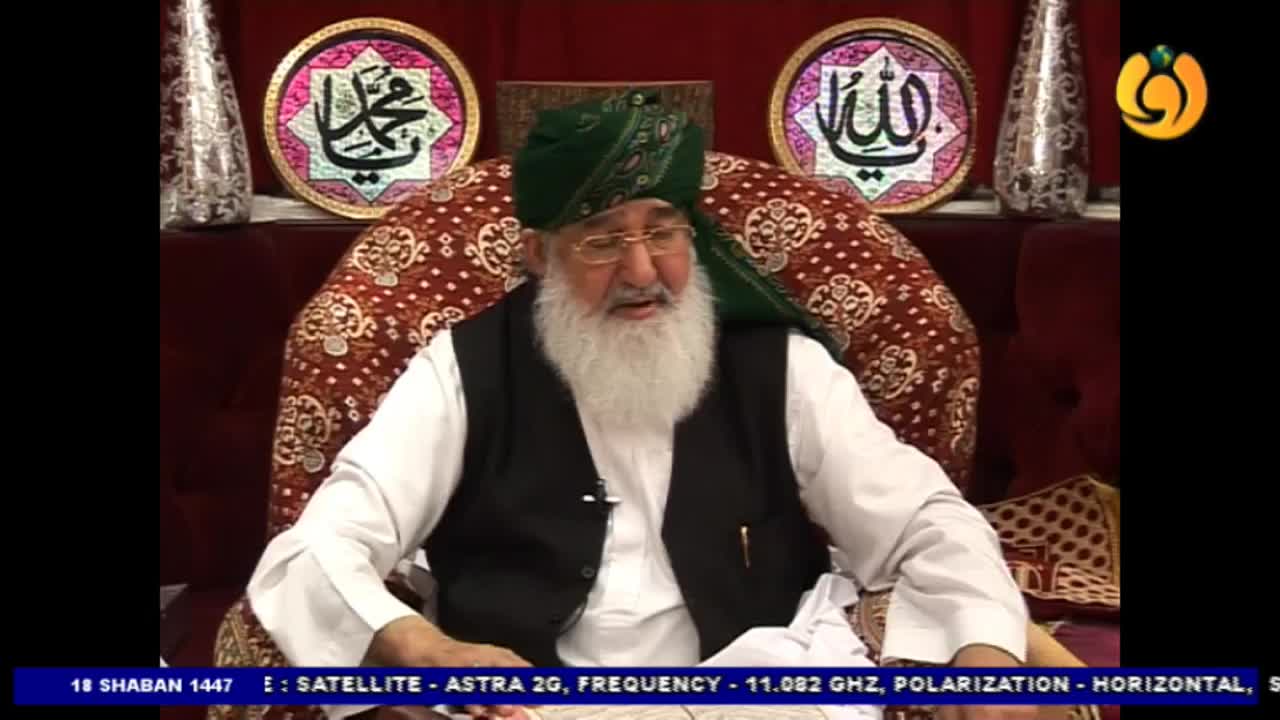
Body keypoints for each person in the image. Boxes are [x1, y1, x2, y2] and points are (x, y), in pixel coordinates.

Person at [246, 91, 1035, 720]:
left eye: (663, 232)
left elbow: (926, 522)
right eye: (600, 240)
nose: (642, 271)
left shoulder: (776, 366)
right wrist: (427, 651)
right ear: (538, 253)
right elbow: (316, 548)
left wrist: (984, 649)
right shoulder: (466, 369)